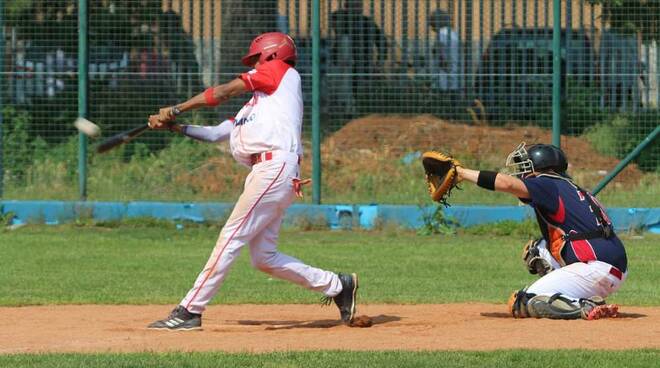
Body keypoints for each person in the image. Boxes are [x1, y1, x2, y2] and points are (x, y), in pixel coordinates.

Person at [146, 32, 358, 330]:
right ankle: (337, 285)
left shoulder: (280, 71)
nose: (255, 63)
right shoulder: (259, 106)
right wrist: (175, 126)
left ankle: (190, 311)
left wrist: (176, 107)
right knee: (264, 258)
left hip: (273, 169)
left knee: (230, 238)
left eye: (257, 57)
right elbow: (216, 133)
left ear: (271, 54)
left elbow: (221, 93)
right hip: (268, 173)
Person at [456, 142, 626, 320]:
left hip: (595, 269)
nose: (521, 173)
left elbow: (506, 183)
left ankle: (583, 306)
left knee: (524, 302)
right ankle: (571, 295)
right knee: (537, 250)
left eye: (525, 166)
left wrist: (461, 173)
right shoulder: (570, 187)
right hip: (609, 265)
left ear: (538, 167)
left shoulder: (546, 183)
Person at [428, 9, 460, 92]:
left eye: (432, 24)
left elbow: (442, 58)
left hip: (444, 79)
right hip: (456, 76)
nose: (431, 27)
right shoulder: (454, 34)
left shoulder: (441, 36)